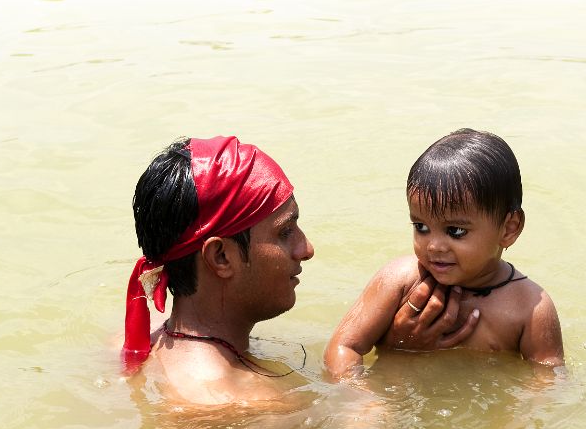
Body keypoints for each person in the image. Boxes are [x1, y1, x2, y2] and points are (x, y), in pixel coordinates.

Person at [123, 134, 463, 407]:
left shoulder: (145, 338)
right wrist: (403, 358)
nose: (306, 249)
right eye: (286, 232)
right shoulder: (243, 403)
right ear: (221, 257)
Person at [325, 128, 564, 380]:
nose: (434, 246)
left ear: (509, 228)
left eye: (456, 230)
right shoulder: (400, 280)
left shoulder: (529, 308)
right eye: (421, 227)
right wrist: (359, 401)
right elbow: (342, 348)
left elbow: (547, 385)